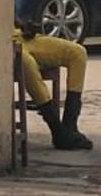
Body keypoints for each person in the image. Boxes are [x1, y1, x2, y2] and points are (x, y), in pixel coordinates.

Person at [14, 21, 93, 151]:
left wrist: (24, 25)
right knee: (27, 64)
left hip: (22, 36)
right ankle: (56, 128)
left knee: (78, 52)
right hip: (3, 42)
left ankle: (70, 124)